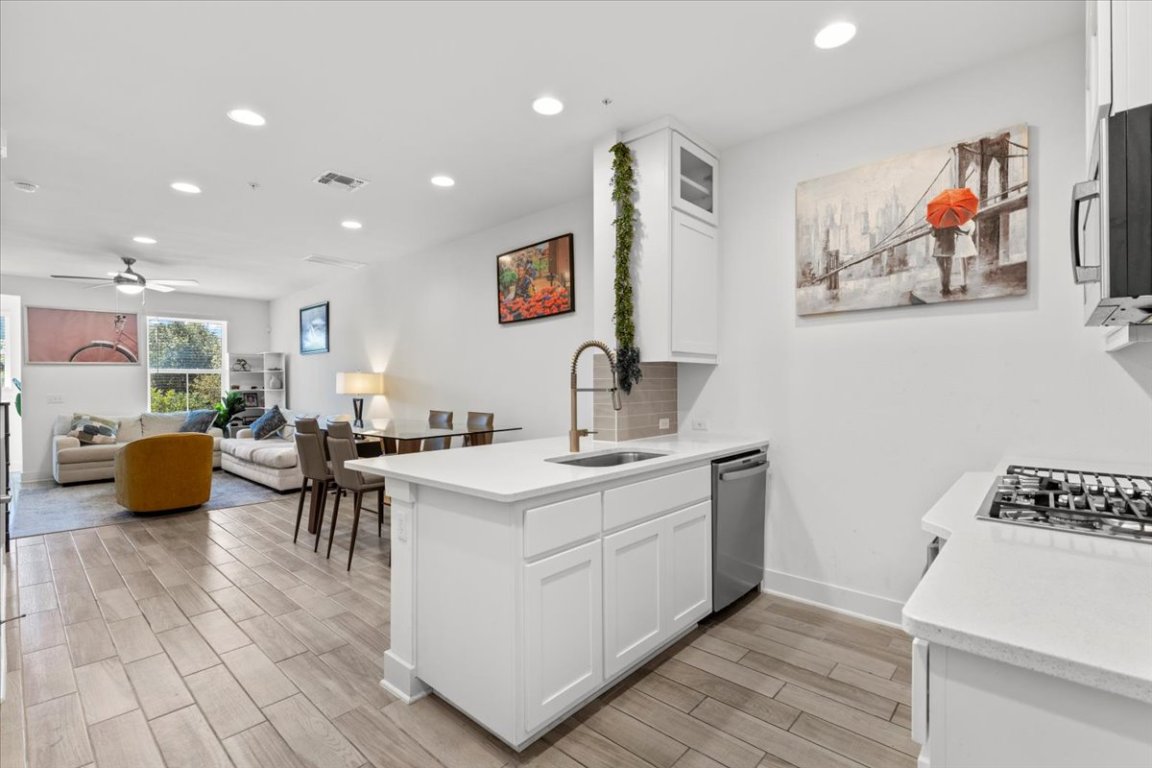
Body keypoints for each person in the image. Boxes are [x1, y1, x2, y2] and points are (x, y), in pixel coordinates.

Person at [930, 225, 957, 295]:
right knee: (948, 269)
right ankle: (947, 288)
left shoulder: (936, 223)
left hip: (939, 249)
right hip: (949, 248)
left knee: (942, 269)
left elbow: (934, 234)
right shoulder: (952, 222)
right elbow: (955, 232)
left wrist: (931, 228)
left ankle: (944, 288)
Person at [954, 221, 977, 293]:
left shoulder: (959, 223)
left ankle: (964, 283)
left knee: (962, 263)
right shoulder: (972, 223)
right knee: (965, 263)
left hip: (962, 242)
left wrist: (957, 231)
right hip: (967, 241)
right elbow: (969, 233)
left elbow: (964, 233)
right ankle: (965, 282)